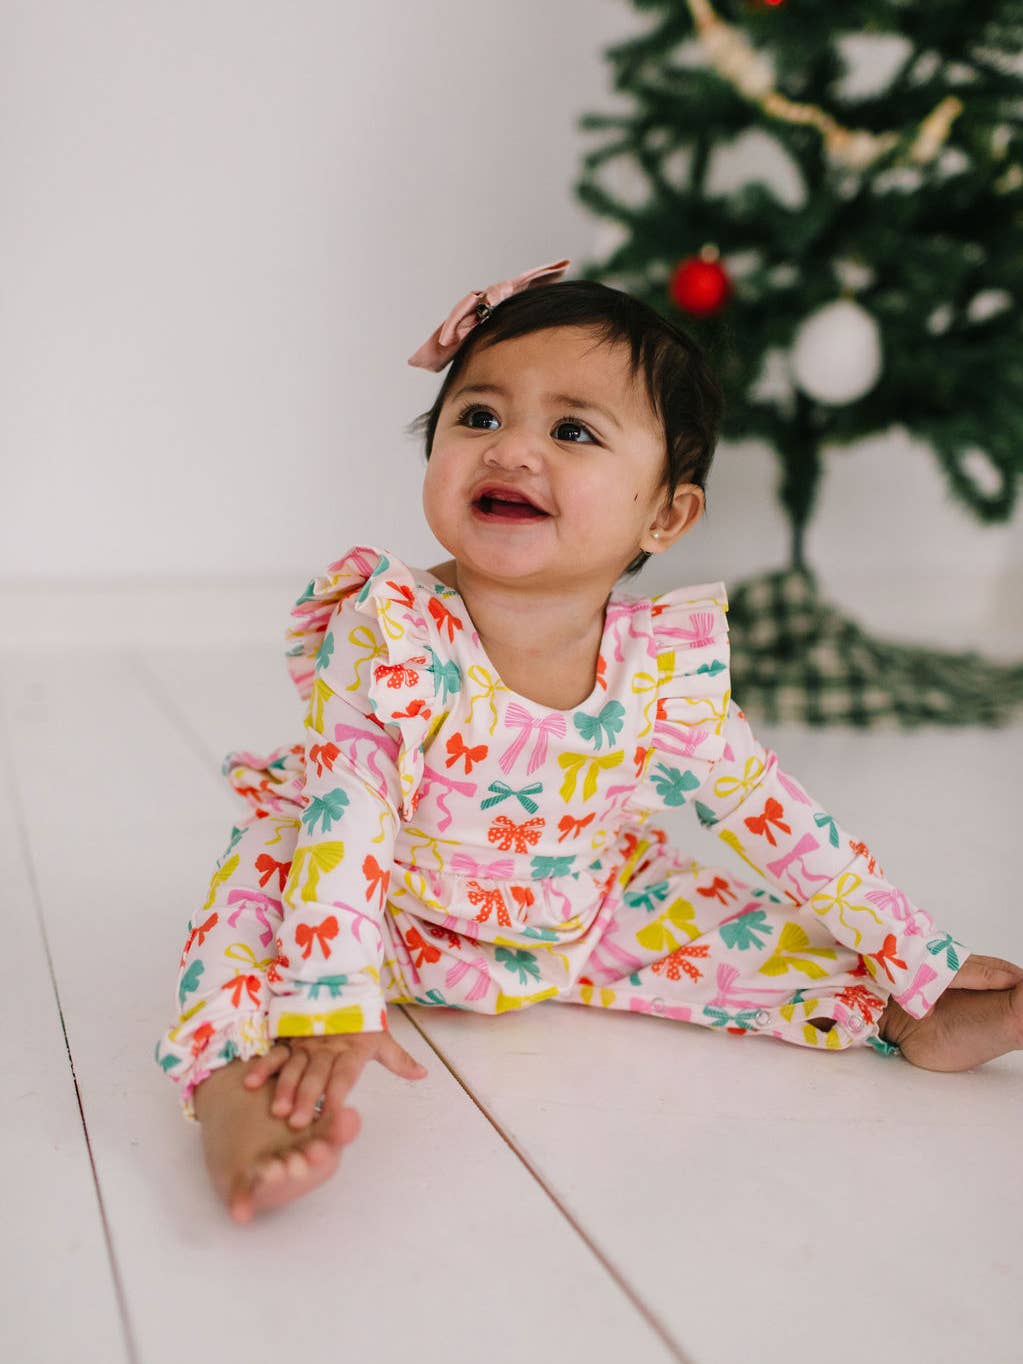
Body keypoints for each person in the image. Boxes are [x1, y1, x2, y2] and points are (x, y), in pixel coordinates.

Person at [156, 259, 1023, 1223]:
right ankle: (240, 1095)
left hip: (579, 914)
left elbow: (769, 812)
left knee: (712, 911)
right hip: (387, 912)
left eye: (571, 430)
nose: (511, 450)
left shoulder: (660, 664)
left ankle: (900, 1009)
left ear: (665, 514)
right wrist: (331, 992)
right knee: (261, 882)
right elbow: (349, 813)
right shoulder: (394, 628)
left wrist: (906, 943)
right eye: (477, 417)